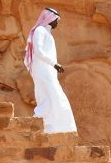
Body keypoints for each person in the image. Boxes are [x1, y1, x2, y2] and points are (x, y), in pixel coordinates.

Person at [23, 7, 76, 135]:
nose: (57, 22)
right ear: (50, 18)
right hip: (42, 69)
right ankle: (41, 122)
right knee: (52, 95)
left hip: (47, 69)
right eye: (57, 20)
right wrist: (54, 64)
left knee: (52, 97)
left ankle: (52, 128)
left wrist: (53, 66)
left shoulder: (46, 33)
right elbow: (39, 51)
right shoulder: (40, 30)